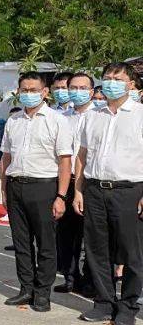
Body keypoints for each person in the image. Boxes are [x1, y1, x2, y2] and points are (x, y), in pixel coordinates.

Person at [74, 62, 143, 325]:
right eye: (107, 77)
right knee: (96, 248)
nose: (111, 82)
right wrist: (78, 190)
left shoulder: (139, 114)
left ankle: (127, 305)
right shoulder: (93, 115)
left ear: (131, 83)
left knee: (132, 252)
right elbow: (82, 155)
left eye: (118, 78)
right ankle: (103, 301)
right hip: (95, 189)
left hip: (129, 191)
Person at [0, 72, 73, 312]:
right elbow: (6, 156)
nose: (28, 94)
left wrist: (61, 196)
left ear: (45, 92)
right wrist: (4, 189)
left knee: (46, 243)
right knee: (21, 242)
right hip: (16, 185)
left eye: (33, 90)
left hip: (44, 187)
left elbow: (64, 161)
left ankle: (43, 292)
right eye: (24, 90)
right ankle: (26, 288)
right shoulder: (14, 121)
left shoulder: (57, 120)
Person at [54, 72, 96, 295]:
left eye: (83, 88)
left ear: (91, 91)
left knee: (91, 235)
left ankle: (90, 279)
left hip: (90, 182)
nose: (77, 92)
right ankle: (71, 276)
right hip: (66, 182)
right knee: (66, 234)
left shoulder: (99, 115)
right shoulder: (62, 117)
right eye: (73, 87)